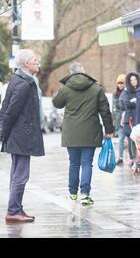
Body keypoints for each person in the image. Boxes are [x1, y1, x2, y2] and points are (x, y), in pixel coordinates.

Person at [52, 62, 114, 206]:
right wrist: (109, 130)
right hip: (90, 131)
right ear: (83, 72)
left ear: (71, 73)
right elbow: (105, 111)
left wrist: (60, 90)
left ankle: (73, 193)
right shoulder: (96, 89)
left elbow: (56, 103)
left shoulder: (65, 89)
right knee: (87, 163)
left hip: (71, 133)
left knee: (74, 163)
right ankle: (85, 194)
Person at [0, 49, 44, 223]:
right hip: (21, 135)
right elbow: (10, 111)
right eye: (35, 60)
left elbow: (5, 107)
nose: (37, 63)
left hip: (18, 135)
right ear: (26, 64)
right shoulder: (25, 84)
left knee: (17, 173)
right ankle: (13, 210)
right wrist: (3, 133)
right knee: (21, 174)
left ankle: (17, 208)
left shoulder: (18, 80)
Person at [119, 72, 140, 171]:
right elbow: (126, 104)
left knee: (139, 140)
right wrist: (136, 102)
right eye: (131, 80)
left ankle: (139, 159)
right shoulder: (125, 92)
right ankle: (134, 159)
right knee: (132, 140)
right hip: (129, 119)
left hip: (139, 118)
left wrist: (135, 102)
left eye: (135, 80)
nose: (133, 82)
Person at [113, 74, 126, 164]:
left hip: (128, 119)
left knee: (131, 140)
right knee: (121, 139)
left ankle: (133, 158)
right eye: (119, 83)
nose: (121, 85)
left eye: (122, 83)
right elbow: (116, 108)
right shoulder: (115, 94)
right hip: (120, 120)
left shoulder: (128, 92)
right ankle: (120, 157)